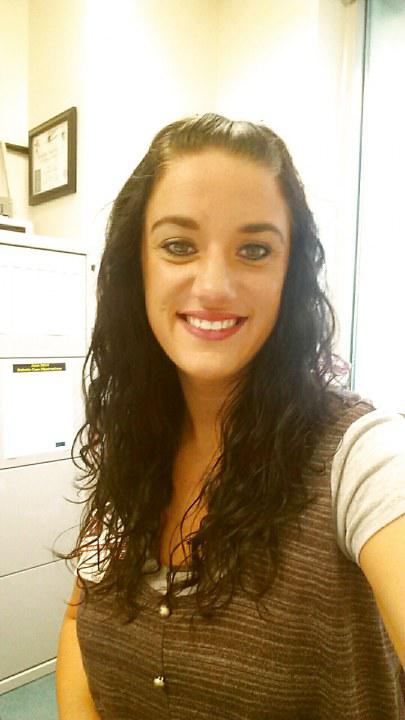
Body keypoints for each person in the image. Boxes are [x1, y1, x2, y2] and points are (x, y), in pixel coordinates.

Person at [55, 113, 405, 720]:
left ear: (290, 274)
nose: (214, 285)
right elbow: (78, 625)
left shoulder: (362, 458)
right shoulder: (134, 445)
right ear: (137, 265)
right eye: (178, 246)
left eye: (254, 250)